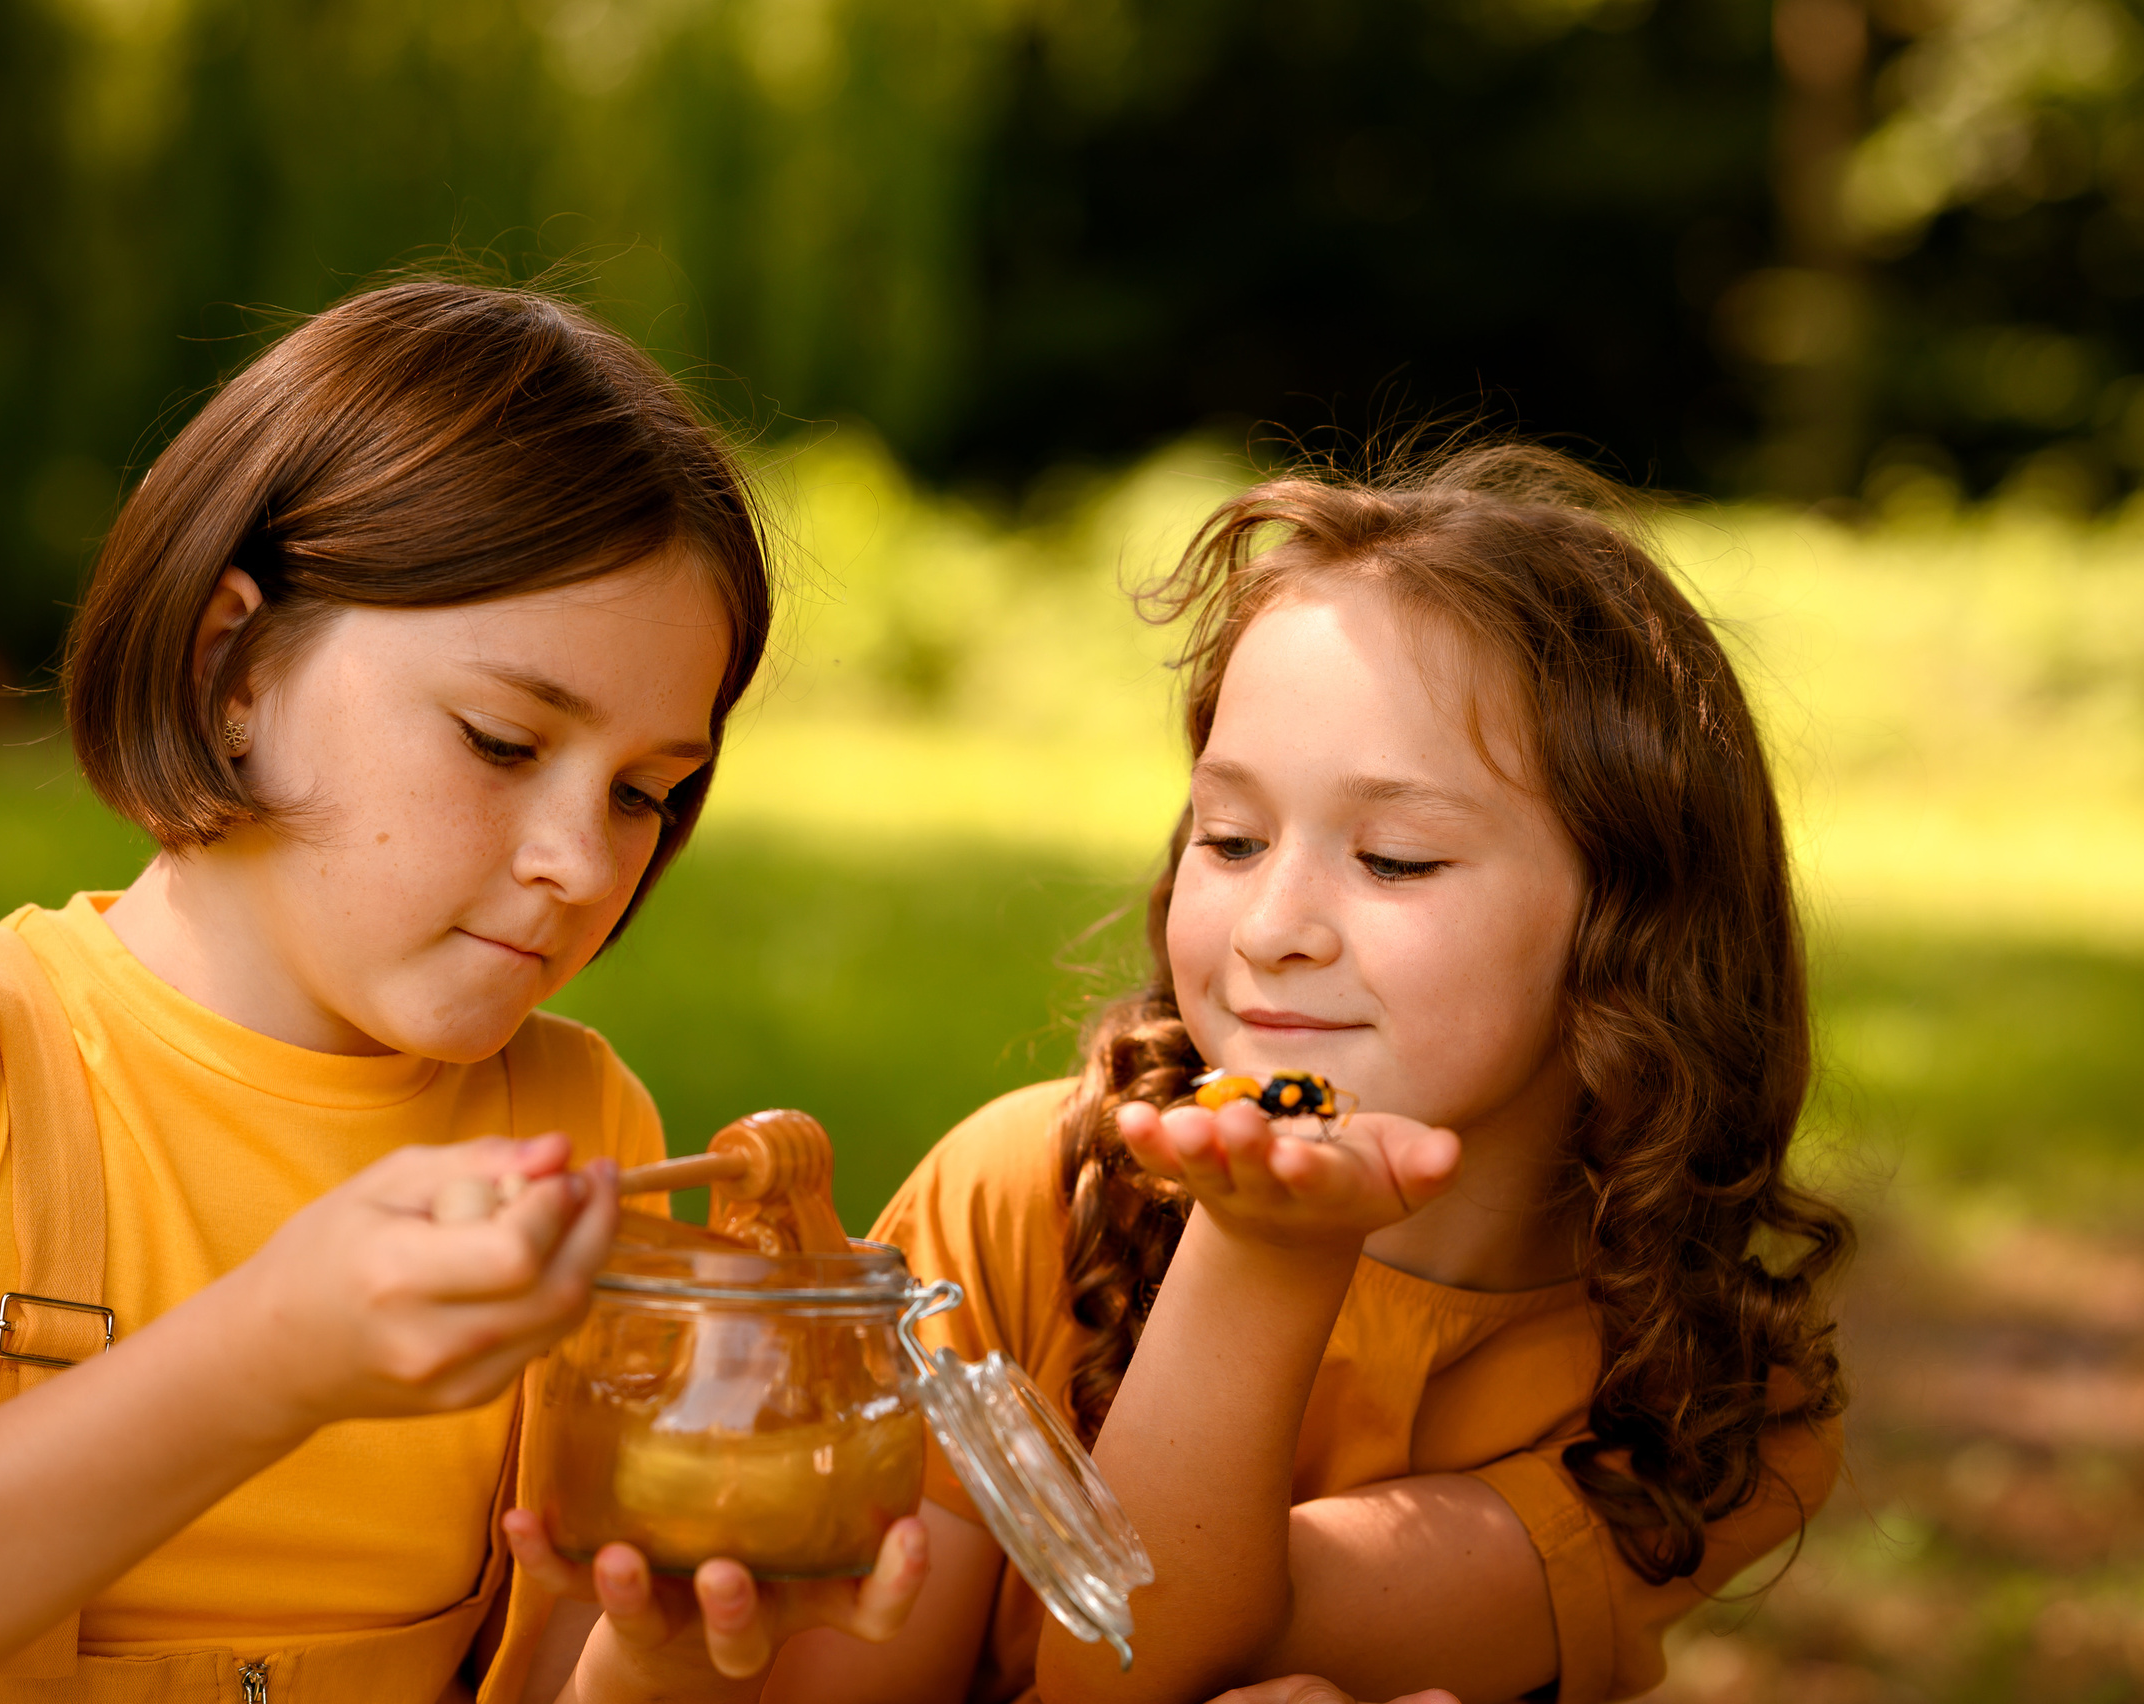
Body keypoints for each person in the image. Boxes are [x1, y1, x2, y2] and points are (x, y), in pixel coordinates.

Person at [0, 278, 928, 1703]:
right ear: (232, 665)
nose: (583, 863)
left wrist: (664, 1650)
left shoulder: (581, 1124)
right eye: (504, 743)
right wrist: (266, 1361)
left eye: (648, 791)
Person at [759, 447, 1852, 1704]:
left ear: (1634, 928)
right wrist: (1264, 1239)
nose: (1273, 924)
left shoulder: (1710, 1404)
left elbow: (1144, 1658)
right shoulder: (1022, 1194)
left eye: (1392, 860)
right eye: (1229, 838)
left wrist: (1263, 1247)